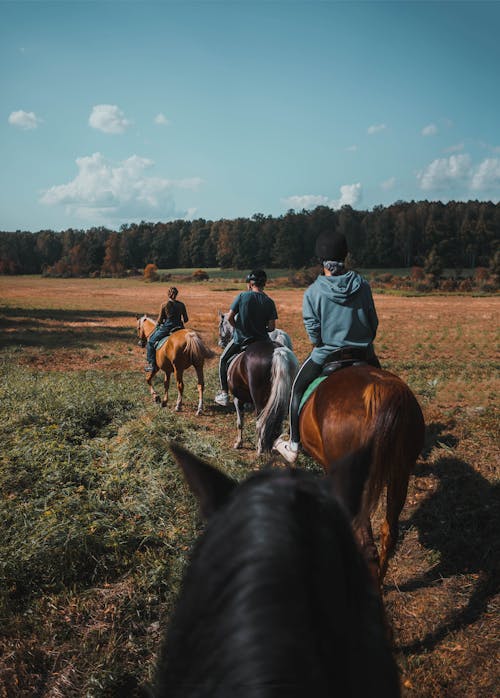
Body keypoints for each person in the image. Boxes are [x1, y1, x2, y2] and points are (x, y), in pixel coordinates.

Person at [273, 231, 380, 464]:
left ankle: (293, 443)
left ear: (321, 259)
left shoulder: (312, 292)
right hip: (364, 354)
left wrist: (325, 342)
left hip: (327, 356)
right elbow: (373, 323)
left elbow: (314, 335)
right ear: (345, 256)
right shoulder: (363, 285)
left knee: (296, 390)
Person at [215, 270, 278, 406]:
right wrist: (261, 328)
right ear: (264, 284)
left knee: (223, 359)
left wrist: (239, 327)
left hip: (242, 339)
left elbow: (230, 318)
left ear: (250, 284)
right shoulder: (269, 301)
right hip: (262, 341)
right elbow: (272, 327)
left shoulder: (242, 296)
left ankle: (224, 394)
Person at [145, 287, 188, 372]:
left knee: (150, 342)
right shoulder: (181, 305)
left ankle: (151, 364)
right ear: (176, 295)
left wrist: (158, 325)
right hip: (180, 327)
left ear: (168, 294)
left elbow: (160, 320)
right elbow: (186, 319)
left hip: (167, 328)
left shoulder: (164, 305)